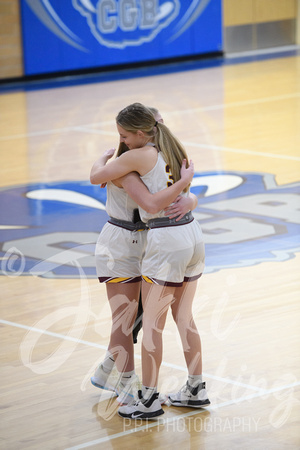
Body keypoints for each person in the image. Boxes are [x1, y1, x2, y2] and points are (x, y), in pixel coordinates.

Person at [90, 102, 210, 419]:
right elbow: (184, 194)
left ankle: (147, 398)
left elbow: (149, 200)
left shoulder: (135, 158)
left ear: (142, 132)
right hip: (191, 233)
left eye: (124, 135)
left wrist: (102, 159)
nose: (123, 140)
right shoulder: (173, 148)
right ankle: (195, 388)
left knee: (150, 326)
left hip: (163, 240)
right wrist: (190, 190)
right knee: (183, 317)